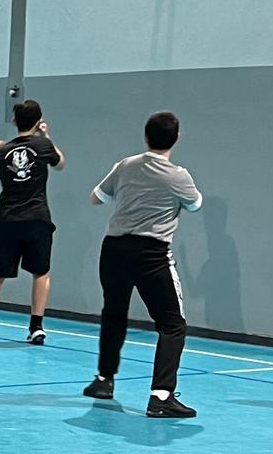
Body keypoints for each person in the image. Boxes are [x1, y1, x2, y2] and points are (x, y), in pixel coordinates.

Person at [83, 113, 202, 419]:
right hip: (151, 254)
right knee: (173, 325)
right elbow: (195, 203)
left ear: (146, 136)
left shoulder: (125, 166)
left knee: (114, 313)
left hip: (113, 250)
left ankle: (104, 380)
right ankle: (161, 396)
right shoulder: (178, 176)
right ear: (176, 138)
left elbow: (96, 198)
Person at [0, 99, 64, 348]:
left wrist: (6, 147)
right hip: (36, 218)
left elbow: (6, 175)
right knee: (41, 273)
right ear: (38, 120)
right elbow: (60, 163)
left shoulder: (2, 152)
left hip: (6, 218)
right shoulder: (44, 145)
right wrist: (46, 136)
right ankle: (36, 326)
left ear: (14, 121)